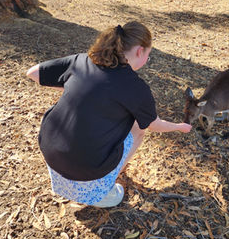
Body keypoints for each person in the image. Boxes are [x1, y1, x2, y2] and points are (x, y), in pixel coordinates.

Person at [27, 21, 192, 208]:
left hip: (51, 153)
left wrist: (79, 89)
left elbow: (33, 73)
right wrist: (179, 127)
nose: (147, 60)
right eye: (148, 55)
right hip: (88, 170)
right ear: (139, 51)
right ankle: (110, 181)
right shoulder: (135, 87)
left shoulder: (81, 61)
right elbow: (153, 124)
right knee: (139, 128)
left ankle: (85, 181)